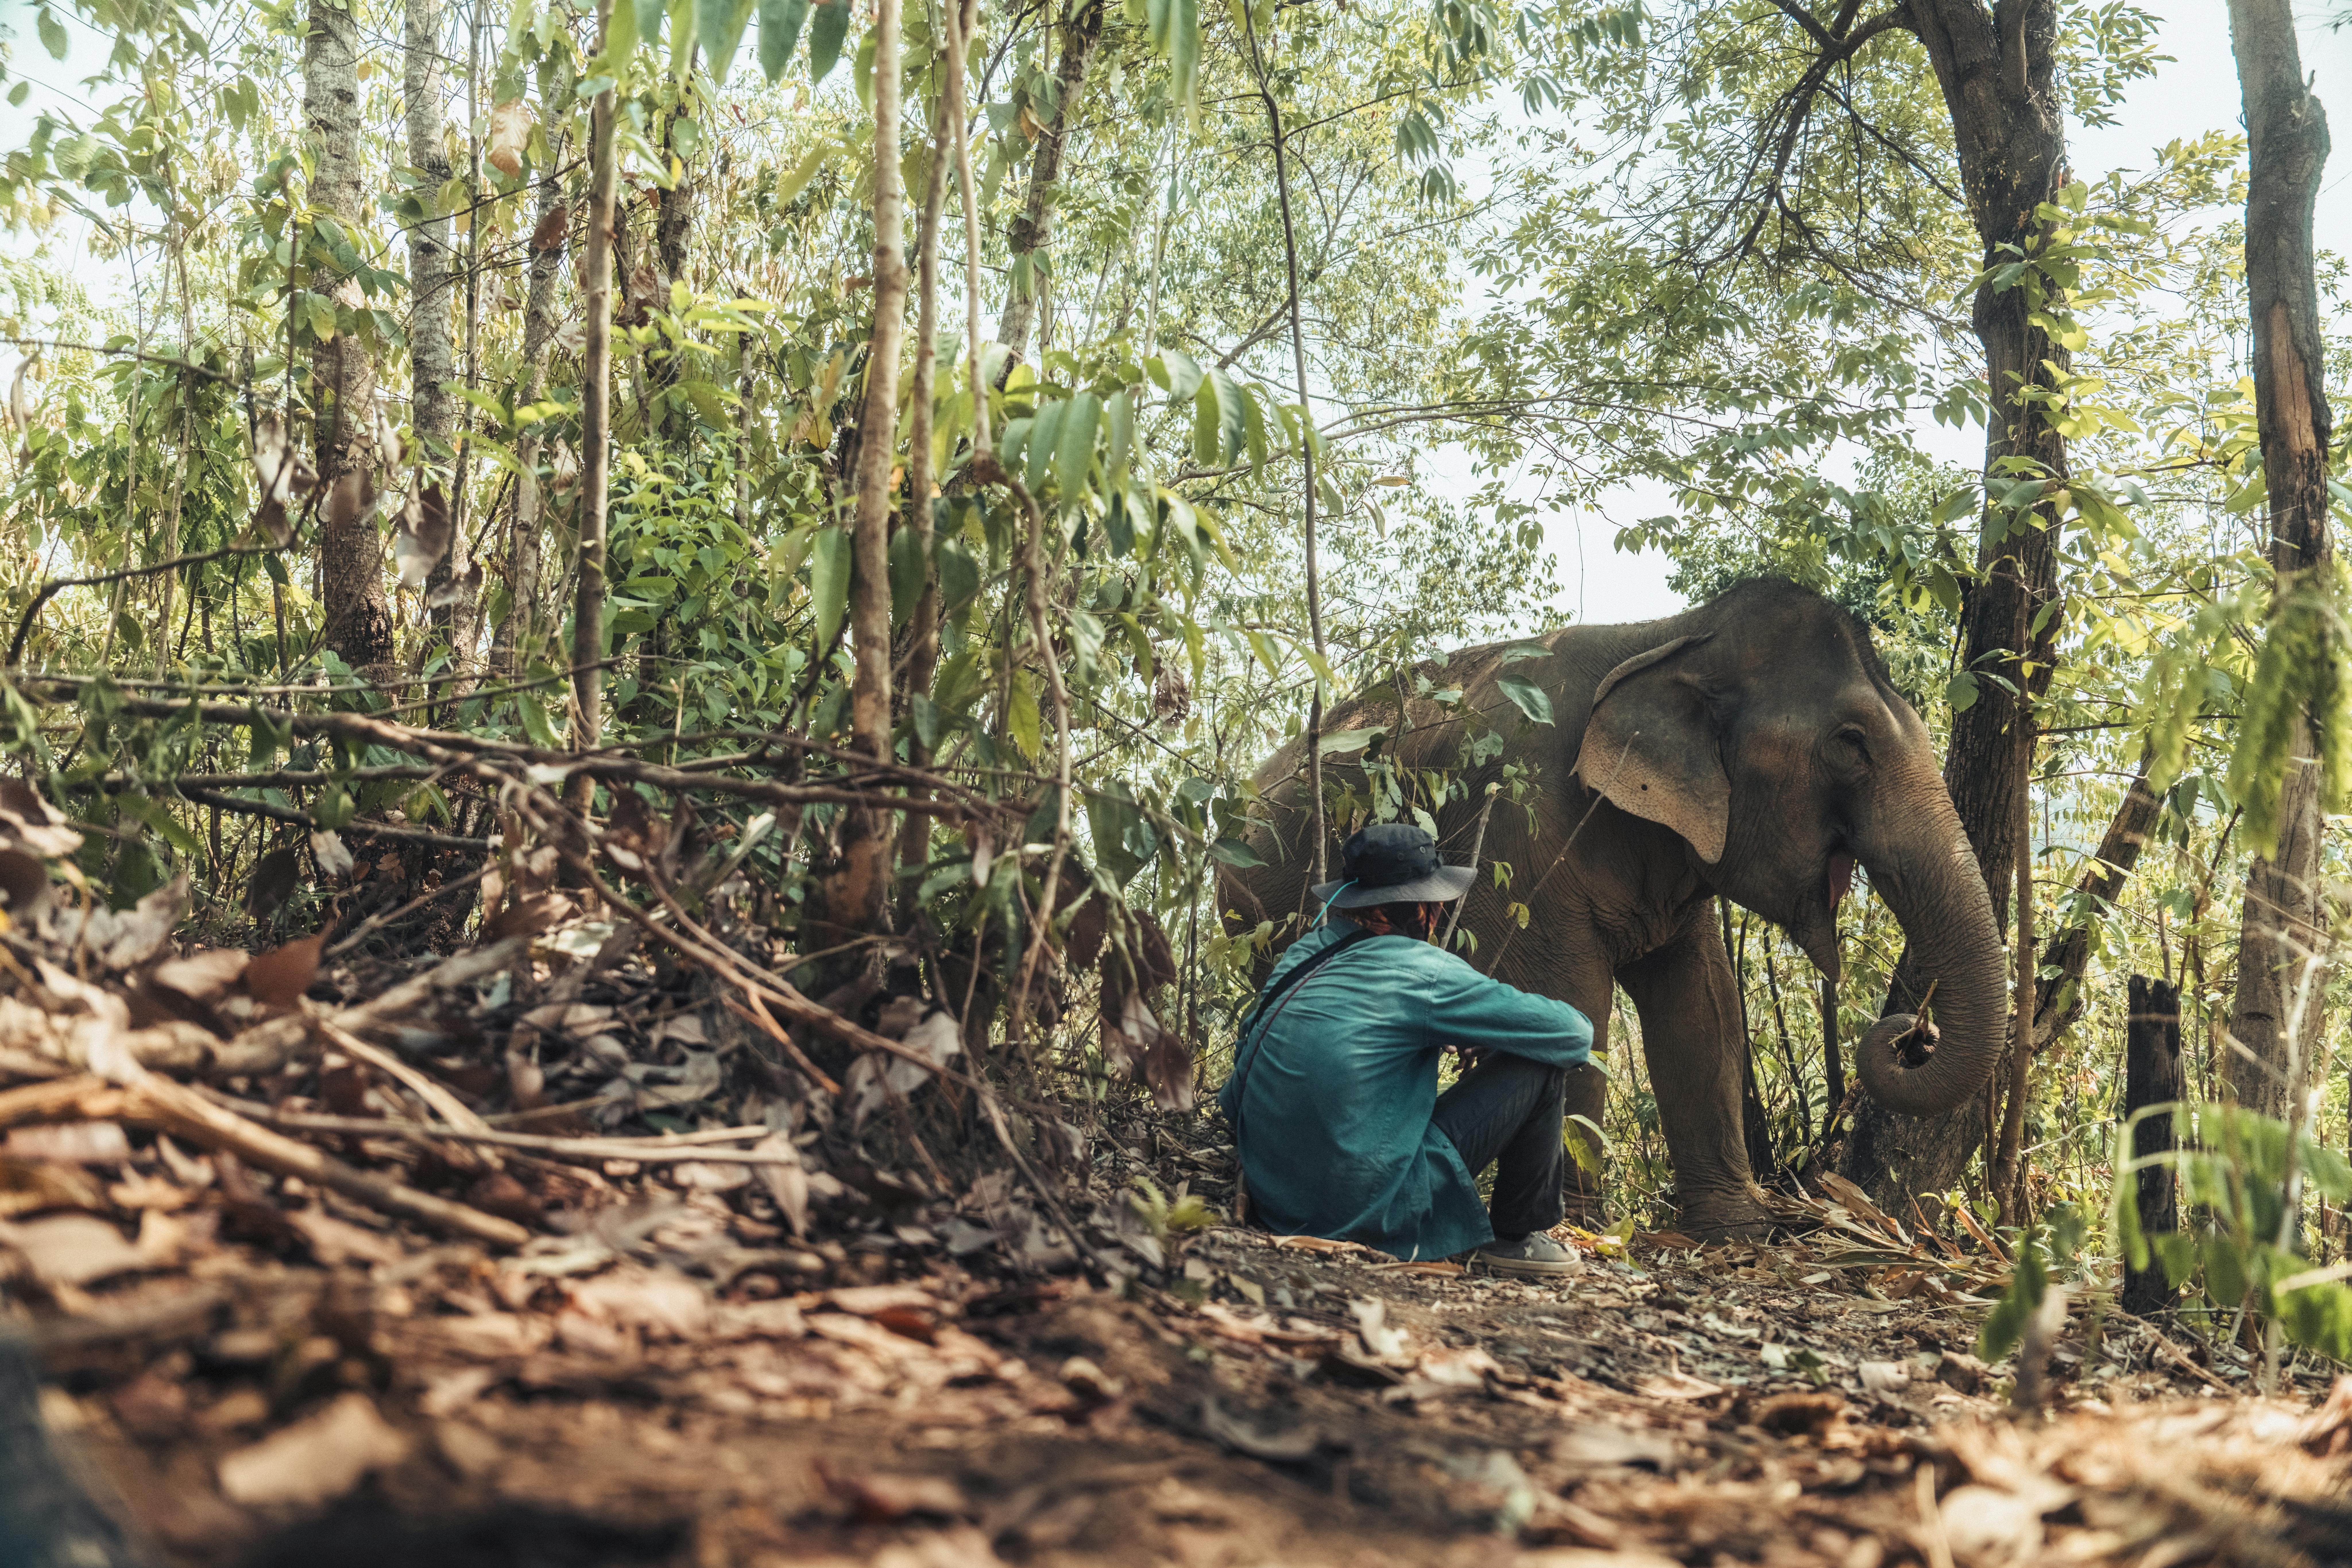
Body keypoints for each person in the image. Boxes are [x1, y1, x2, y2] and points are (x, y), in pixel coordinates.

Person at [1218, 823, 1594, 1278]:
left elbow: (1234, 1090)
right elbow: (1574, 1033)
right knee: (1540, 1061)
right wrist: (1495, 1035)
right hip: (1361, 1213)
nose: (1437, 914)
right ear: (1420, 907)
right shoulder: (1423, 969)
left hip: (1272, 1197)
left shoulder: (1303, 955)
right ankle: (1516, 1236)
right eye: (1434, 902)